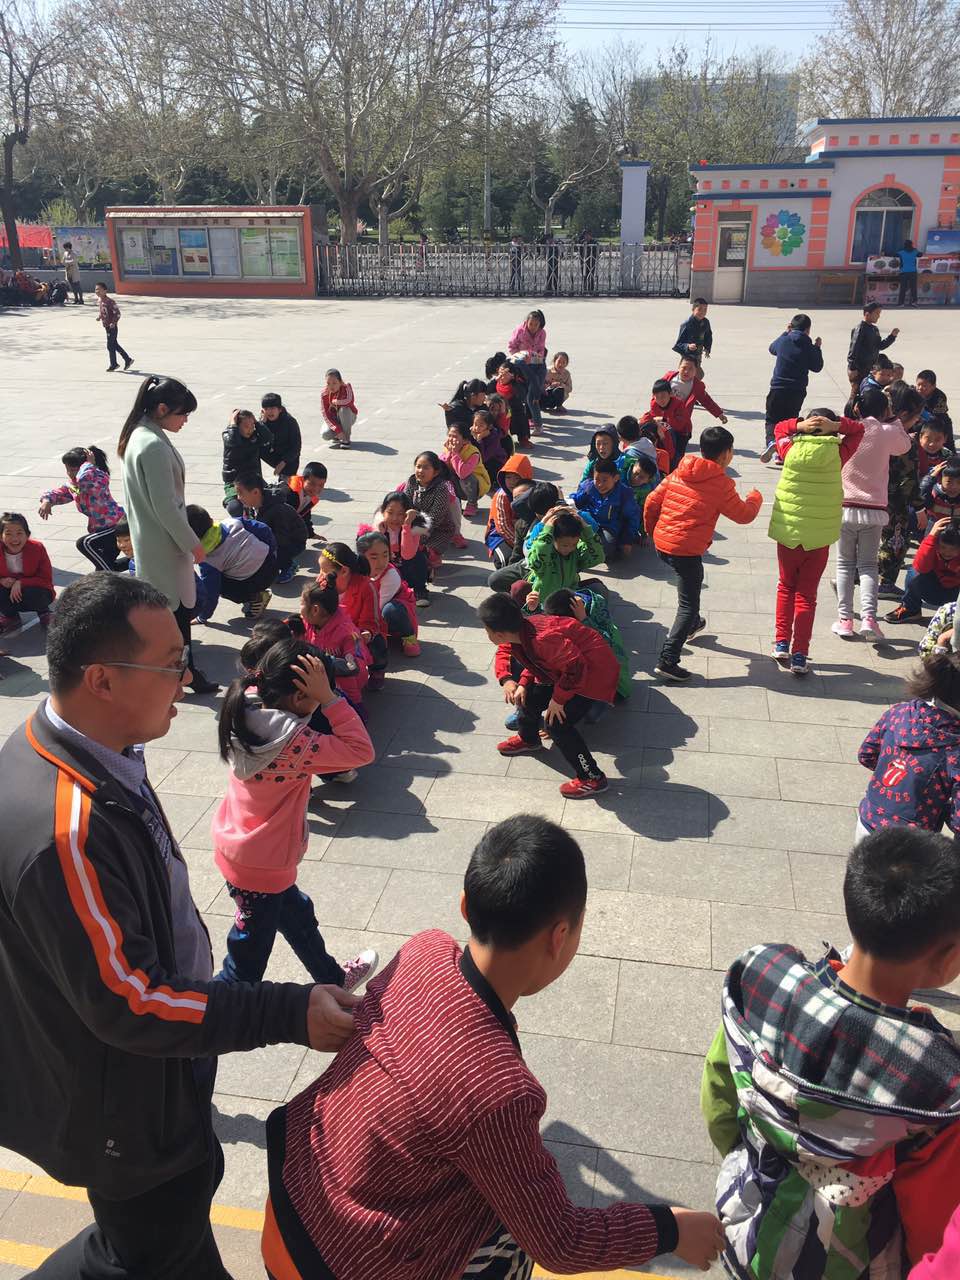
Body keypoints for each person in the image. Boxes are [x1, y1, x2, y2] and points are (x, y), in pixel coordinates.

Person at [0, 574, 362, 1279]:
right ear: (103, 680)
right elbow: (130, 1000)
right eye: (170, 664)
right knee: (147, 1247)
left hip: (149, 1073)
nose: (187, 677)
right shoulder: (68, 829)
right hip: (124, 1101)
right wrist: (290, 1012)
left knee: (155, 1241)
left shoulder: (89, 751)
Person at [262, 815, 725, 1279]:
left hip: (292, 1199)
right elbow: (560, 1243)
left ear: (465, 905)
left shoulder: (424, 950)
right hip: (347, 1263)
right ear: (560, 937)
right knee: (512, 1243)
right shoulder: (500, 1093)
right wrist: (670, 1229)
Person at [701, 826, 960, 1278]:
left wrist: (745, 1156)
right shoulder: (940, 1083)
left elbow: (719, 1090)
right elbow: (930, 1216)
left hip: (746, 1219)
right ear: (947, 959)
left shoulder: (761, 975)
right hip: (849, 1262)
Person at [212, 638, 377, 985]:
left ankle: (332, 979)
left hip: (244, 848)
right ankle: (215, 1009)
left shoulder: (245, 706)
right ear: (300, 697)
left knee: (298, 916)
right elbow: (361, 750)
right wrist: (331, 700)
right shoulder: (295, 744)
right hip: (264, 863)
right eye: (317, 695)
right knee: (245, 963)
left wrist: (319, 692)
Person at [117, 375, 217, 694]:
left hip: (153, 544)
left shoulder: (140, 435)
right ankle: (180, 676)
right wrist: (193, 544)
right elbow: (167, 507)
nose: (185, 420)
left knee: (171, 616)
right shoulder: (153, 445)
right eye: (182, 413)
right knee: (176, 617)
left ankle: (183, 673)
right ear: (162, 409)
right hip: (165, 547)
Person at [644, 425, 762, 682]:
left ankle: (693, 624)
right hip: (686, 551)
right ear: (726, 454)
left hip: (664, 544)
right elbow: (744, 515)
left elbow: (652, 500)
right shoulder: (721, 483)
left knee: (689, 587)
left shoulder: (681, 469)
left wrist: (653, 532)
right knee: (687, 605)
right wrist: (755, 498)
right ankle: (668, 659)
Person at [481, 593, 619, 798]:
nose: (486, 634)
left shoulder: (542, 639)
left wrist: (558, 700)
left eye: (486, 630)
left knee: (557, 725)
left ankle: (592, 777)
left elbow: (576, 668)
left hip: (592, 679)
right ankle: (529, 738)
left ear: (499, 634)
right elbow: (536, 663)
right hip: (567, 673)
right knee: (528, 695)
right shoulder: (524, 629)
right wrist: (520, 682)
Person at [768, 411, 863, 677]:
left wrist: (797, 425)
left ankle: (781, 643)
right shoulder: (838, 453)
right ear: (833, 431)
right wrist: (837, 425)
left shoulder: (789, 449)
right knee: (807, 596)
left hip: (789, 532)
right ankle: (800, 654)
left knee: (786, 586)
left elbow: (779, 428)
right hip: (819, 538)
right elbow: (858, 430)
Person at [833, 386, 911, 642]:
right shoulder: (886, 431)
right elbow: (905, 445)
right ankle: (869, 618)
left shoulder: (849, 429)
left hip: (845, 506)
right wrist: (893, 418)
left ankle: (845, 620)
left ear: (857, 407)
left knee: (844, 565)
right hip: (874, 509)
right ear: (885, 410)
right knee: (868, 566)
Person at [857, 651, 960, 839]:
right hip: (912, 842)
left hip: (869, 820)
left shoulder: (900, 711)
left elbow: (867, 754)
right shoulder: (955, 748)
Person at [38, 445, 126, 572]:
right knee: (103, 569)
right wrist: (47, 501)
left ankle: (113, 575)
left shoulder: (98, 478)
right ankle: (133, 563)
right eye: (67, 470)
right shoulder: (75, 484)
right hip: (99, 530)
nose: (70, 473)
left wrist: (89, 464)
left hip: (115, 525)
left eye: (73, 470)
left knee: (85, 543)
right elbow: (59, 493)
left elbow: (84, 480)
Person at [186, 504, 277, 623]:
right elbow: (264, 529)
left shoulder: (208, 559)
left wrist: (203, 616)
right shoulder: (232, 522)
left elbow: (210, 593)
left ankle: (256, 598)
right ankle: (256, 590)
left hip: (255, 581)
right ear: (211, 520)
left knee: (219, 586)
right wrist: (272, 551)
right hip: (272, 565)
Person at [543, 586, 632, 701]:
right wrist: (532, 609)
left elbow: (605, 647)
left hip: (616, 689)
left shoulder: (598, 629)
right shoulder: (580, 605)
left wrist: (584, 620)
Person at [319, 543, 387, 688]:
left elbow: (370, 620)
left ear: (344, 571)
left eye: (324, 571)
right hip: (332, 631)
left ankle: (377, 670)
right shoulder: (322, 584)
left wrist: (366, 632)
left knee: (377, 643)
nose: (320, 575)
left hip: (356, 633)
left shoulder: (366, 587)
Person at [298, 582, 371, 713]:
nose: (299, 608)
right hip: (322, 672)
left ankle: (355, 707)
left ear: (315, 610)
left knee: (342, 674)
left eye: (302, 603)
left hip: (346, 677)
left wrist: (325, 661)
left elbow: (352, 667)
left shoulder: (347, 632)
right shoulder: (308, 622)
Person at [761, 313, 824, 454]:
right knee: (790, 421)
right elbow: (817, 367)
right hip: (797, 390)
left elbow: (772, 348)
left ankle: (771, 442)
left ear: (791, 326)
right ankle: (783, 451)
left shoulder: (784, 340)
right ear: (808, 329)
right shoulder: (808, 346)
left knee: (772, 419)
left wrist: (785, 332)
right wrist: (817, 348)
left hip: (778, 387)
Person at [355, 530, 420, 657]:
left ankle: (409, 637)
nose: (381, 562)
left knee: (391, 610)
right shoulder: (356, 571)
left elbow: (377, 607)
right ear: (362, 557)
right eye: (374, 557)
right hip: (368, 615)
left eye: (385, 555)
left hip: (387, 611)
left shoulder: (391, 575)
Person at [235, 473, 308, 583]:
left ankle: (288, 565)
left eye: (240, 493)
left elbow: (282, 538)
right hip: (271, 537)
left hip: (292, 541)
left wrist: (260, 548)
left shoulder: (277, 509)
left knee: (268, 558)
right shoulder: (251, 506)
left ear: (255, 492)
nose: (238, 498)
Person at [886, 518, 960, 624]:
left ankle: (956, 616)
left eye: (953, 549)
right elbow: (920, 568)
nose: (947, 553)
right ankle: (911, 609)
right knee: (914, 573)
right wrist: (931, 537)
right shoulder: (933, 546)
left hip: (955, 595)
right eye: (943, 547)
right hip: (933, 590)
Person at [524, 506, 604, 600]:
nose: (569, 549)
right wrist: (547, 530)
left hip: (567, 598)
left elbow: (599, 557)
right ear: (552, 538)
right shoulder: (544, 552)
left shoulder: (576, 552)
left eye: (574, 544)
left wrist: (586, 529)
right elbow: (536, 560)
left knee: (598, 587)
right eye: (565, 545)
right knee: (518, 587)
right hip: (544, 602)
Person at [572, 457, 642, 562]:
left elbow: (633, 518)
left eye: (605, 480)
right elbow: (576, 501)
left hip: (609, 527)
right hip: (589, 521)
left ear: (616, 478)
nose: (600, 484)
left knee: (607, 549)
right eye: (597, 480)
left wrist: (626, 540)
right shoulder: (588, 487)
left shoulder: (624, 494)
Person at [661, 357, 728, 464]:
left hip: (682, 425)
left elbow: (706, 401)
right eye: (684, 368)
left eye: (691, 369)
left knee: (678, 453)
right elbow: (656, 394)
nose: (686, 371)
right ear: (678, 367)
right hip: (664, 421)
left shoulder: (697, 386)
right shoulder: (669, 378)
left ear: (696, 371)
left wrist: (719, 413)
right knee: (663, 449)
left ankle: (676, 465)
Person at [371, 490, 432, 607]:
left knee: (418, 557)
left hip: (408, 566)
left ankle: (420, 589)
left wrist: (407, 525)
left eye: (400, 514)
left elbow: (407, 554)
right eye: (390, 512)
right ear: (383, 512)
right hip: (389, 568)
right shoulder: (379, 527)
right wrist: (380, 532)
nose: (395, 518)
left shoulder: (414, 527)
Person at [0, 511, 54, 633]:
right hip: (6, 591)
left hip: (32, 591)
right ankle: (10, 616)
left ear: (27, 534)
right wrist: (2, 580)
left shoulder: (37, 548)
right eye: (8, 534)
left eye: (19, 533)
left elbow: (45, 579)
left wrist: (21, 582)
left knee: (35, 592)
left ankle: (44, 612)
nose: (14, 539)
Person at [402, 451, 458, 566]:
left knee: (424, 556)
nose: (420, 471)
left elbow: (434, 519)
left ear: (435, 472)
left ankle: (434, 555)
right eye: (418, 466)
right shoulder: (412, 482)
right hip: (415, 523)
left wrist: (416, 538)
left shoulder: (441, 489)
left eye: (426, 468)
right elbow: (404, 504)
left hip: (439, 529)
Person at [485, 454, 534, 568]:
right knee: (505, 561)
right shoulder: (502, 496)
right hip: (500, 535)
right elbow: (503, 527)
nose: (512, 482)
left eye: (516, 478)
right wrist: (520, 545)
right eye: (508, 477)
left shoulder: (532, 492)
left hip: (526, 532)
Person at [222, 408, 273, 515]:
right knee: (235, 508)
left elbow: (268, 438)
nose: (250, 429)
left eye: (252, 426)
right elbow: (234, 442)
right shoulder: (228, 435)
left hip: (253, 478)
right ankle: (229, 500)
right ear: (237, 426)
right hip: (234, 480)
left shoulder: (254, 437)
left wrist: (257, 423)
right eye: (246, 426)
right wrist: (232, 423)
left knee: (271, 499)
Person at [846, 303, 898, 404]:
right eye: (877, 313)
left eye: (879, 313)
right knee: (856, 394)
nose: (879, 316)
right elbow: (854, 348)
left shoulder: (874, 329)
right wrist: (852, 368)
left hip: (870, 368)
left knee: (868, 395)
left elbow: (880, 346)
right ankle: (850, 411)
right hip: (859, 369)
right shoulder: (860, 329)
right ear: (867, 314)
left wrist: (892, 337)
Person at [507, 310, 547, 436]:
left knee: (532, 396)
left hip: (538, 365)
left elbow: (541, 351)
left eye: (536, 324)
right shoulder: (519, 331)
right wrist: (520, 355)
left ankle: (538, 426)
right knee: (527, 395)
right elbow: (511, 346)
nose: (533, 327)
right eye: (531, 324)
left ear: (540, 324)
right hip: (522, 363)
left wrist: (534, 357)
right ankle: (532, 420)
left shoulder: (542, 333)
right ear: (526, 322)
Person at [442, 419, 491, 520]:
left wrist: (455, 453)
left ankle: (472, 504)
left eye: (455, 436)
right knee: (443, 474)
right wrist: (449, 453)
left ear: (465, 440)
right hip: (459, 484)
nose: (451, 439)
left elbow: (463, 473)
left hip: (476, 485)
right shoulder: (448, 448)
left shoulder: (473, 452)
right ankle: (455, 503)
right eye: (449, 436)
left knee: (466, 477)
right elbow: (441, 466)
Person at [281, 460, 328, 539]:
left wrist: (311, 534)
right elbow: (281, 519)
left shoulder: (309, 496)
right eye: (312, 484)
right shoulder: (290, 493)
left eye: (321, 485)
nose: (316, 489)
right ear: (303, 480)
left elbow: (305, 516)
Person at [260, 392, 302, 477]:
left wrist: (283, 462)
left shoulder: (290, 422)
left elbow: (296, 447)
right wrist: (262, 424)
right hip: (274, 453)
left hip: (289, 457)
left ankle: (287, 475)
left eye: (272, 408)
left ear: (280, 409)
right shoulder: (263, 422)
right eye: (266, 408)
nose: (269, 412)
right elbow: (257, 439)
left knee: (287, 480)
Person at [94, 282, 132, 373]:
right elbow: (104, 311)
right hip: (106, 327)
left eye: (99, 289)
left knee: (110, 345)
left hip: (112, 327)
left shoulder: (110, 301)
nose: (97, 291)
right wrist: (100, 317)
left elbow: (118, 313)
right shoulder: (101, 301)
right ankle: (127, 359)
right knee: (114, 344)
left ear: (105, 291)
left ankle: (114, 364)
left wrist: (113, 323)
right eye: (96, 289)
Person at [321, 370, 358, 450]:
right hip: (334, 419)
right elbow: (326, 415)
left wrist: (337, 402)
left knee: (344, 409)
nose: (331, 386)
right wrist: (338, 430)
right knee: (325, 434)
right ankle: (339, 434)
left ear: (340, 382)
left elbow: (350, 401)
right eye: (328, 383)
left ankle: (346, 439)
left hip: (348, 416)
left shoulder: (346, 387)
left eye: (334, 383)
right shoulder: (324, 394)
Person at [470, 407, 509, 476]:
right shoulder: (472, 432)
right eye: (475, 424)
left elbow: (484, 458)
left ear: (489, 427)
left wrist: (479, 440)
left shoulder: (494, 438)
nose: (476, 428)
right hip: (480, 460)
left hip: (496, 462)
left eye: (481, 425)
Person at [920, 458, 960, 523]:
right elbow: (922, 496)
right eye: (949, 482)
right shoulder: (934, 494)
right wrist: (931, 476)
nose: (954, 487)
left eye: (959, 482)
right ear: (939, 480)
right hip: (935, 525)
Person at [672, 297, 713, 362]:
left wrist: (707, 348)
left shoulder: (705, 322)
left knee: (697, 367)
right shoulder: (687, 324)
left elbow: (708, 336)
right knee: (688, 368)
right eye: (699, 309)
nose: (702, 312)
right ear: (693, 309)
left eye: (705, 310)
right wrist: (687, 346)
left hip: (698, 355)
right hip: (687, 357)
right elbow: (678, 344)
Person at [898, 237, 921, 307]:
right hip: (913, 272)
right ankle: (914, 302)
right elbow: (920, 254)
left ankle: (901, 303)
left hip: (903, 272)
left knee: (903, 288)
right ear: (911, 244)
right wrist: (915, 249)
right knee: (913, 288)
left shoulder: (901, 252)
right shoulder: (915, 251)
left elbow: (892, 254)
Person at [61, 239, 83, 304]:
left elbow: (74, 261)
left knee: (77, 286)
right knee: (72, 286)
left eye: (66, 248)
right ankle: (76, 299)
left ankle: (81, 299)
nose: (65, 249)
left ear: (69, 247)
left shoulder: (74, 254)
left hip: (74, 271)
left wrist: (67, 262)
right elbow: (63, 261)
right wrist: (68, 263)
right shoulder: (65, 253)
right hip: (68, 271)